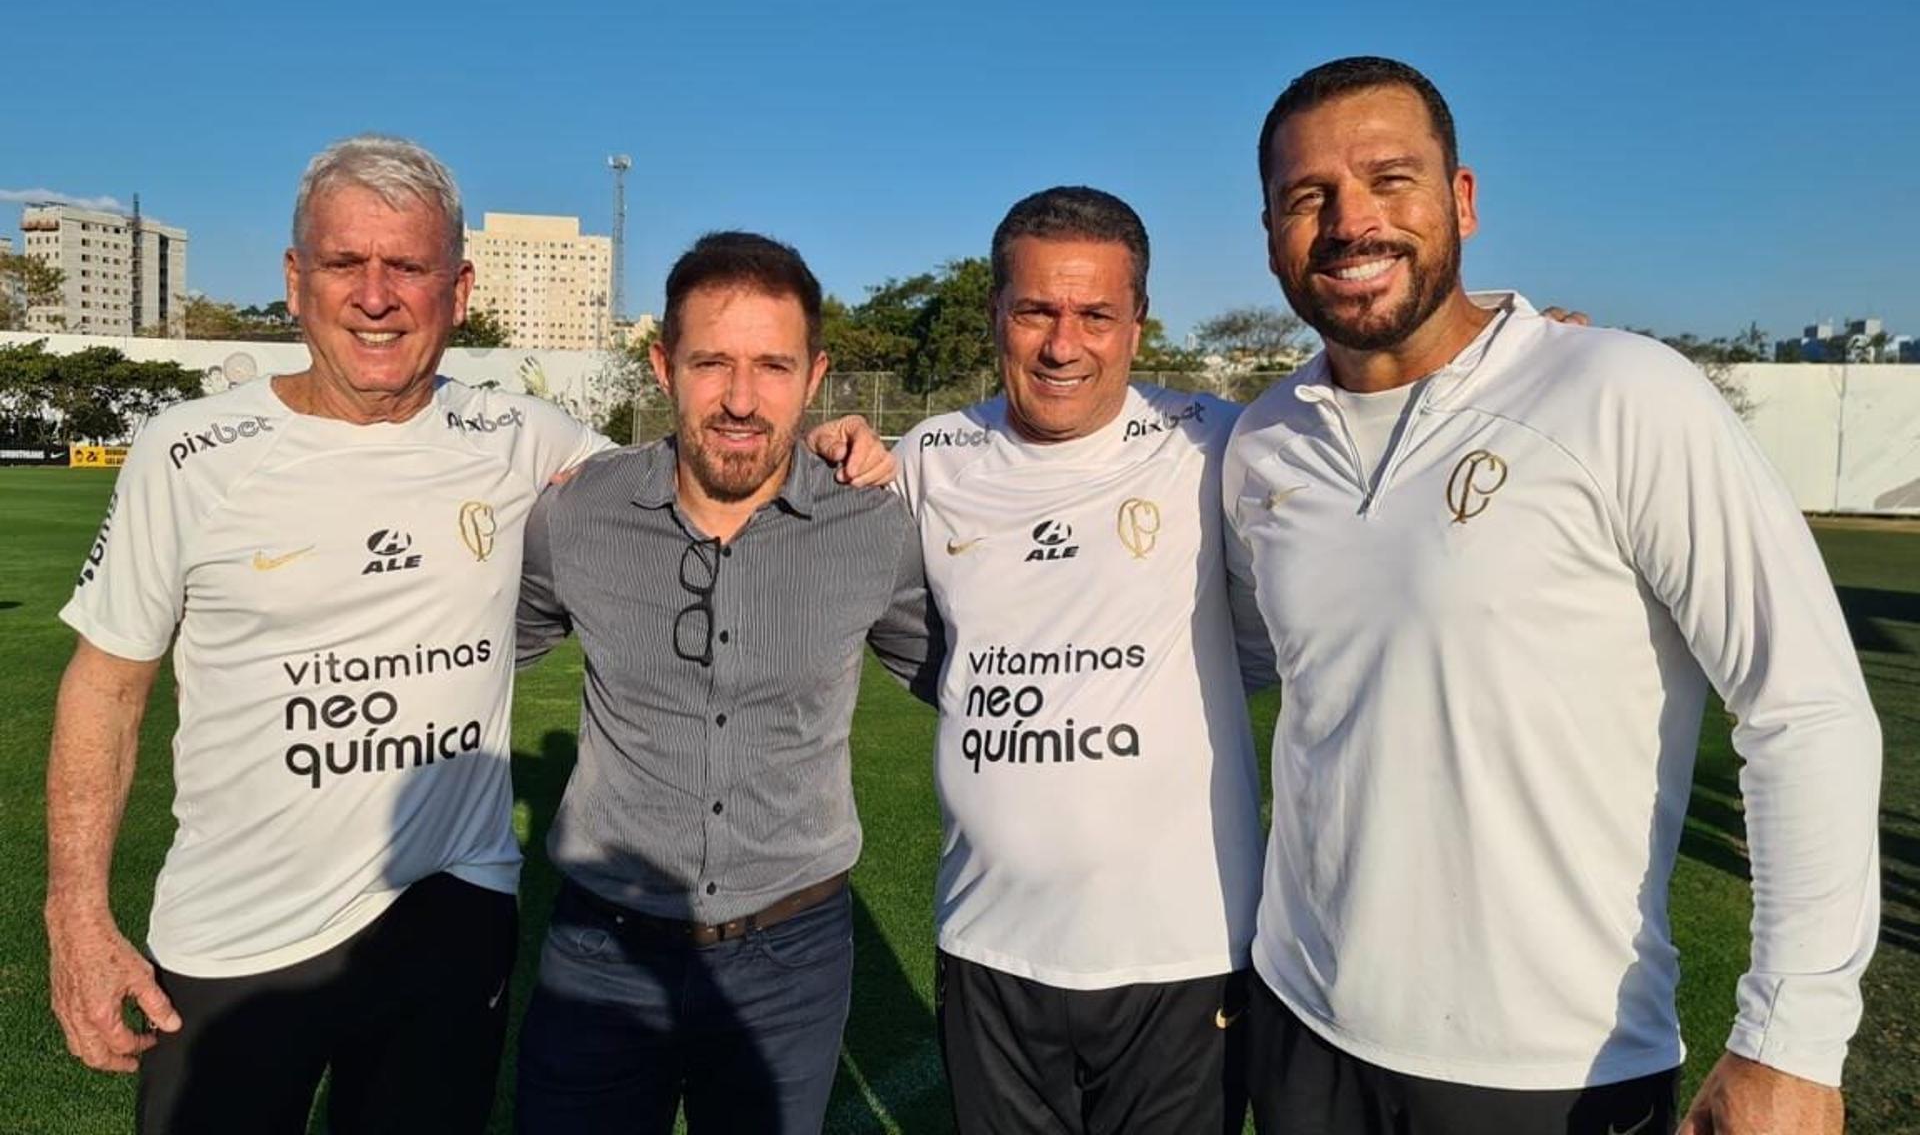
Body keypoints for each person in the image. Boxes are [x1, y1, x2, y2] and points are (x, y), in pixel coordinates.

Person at [44, 137, 889, 1135]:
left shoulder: (524, 439)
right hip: (236, 932)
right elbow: (105, 683)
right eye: (343, 263)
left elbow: (699, 464)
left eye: (406, 266)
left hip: (449, 915)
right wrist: (76, 912)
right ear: (293, 278)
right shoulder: (187, 455)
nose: (375, 295)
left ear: (456, 286)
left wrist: (833, 444)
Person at [1223, 56, 1881, 1135]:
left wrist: (1794, 1041)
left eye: (1391, 180)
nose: (1350, 222)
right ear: (1271, 234)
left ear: (1463, 201)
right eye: (1309, 197)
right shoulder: (1262, 444)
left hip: (1552, 1070)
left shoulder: (1618, 391)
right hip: (1301, 1026)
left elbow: (1801, 706)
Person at [512, 231, 942, 1134]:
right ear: (663, 367)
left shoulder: (872, 526)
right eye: (712, 363)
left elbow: (968, 677)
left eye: (772, 367)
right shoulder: (579, 511)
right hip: (602, 948)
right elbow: (467, 657)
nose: (742, 400)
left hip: (791, 957)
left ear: (815, 375)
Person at [894, 186, 1276, 1134]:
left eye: (1096, 315)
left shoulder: (1220, 442)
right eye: (1035, 311)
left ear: (1138, 325)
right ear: (996, 316)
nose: (1063, 345)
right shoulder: (929, 459)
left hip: (1181, 956)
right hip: (987, 945)